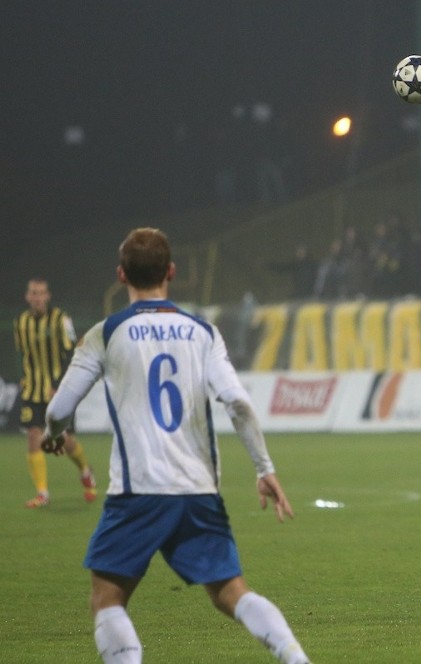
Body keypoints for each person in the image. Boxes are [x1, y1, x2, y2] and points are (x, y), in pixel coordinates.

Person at [40, 228, 310, 663]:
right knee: (230, 593)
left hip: (137, 492)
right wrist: (264, 469)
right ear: (172, 272)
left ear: (121, 274)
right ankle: (295, 656)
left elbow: (58, 410)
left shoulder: (105, 333)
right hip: (197, 491)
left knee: (107, 599)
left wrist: (54, 437)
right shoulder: (203, 333)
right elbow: (238, 403)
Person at [12, 277, 96, 508]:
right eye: (33, 293)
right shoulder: (21, 322)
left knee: (64, 439)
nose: (37, 297)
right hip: (32, 389)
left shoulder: (61, 320)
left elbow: (71, 353)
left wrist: (58, 383)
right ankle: (42, 493)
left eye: (40, 293)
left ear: (48, 296)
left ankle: (86, 471)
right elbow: (25, 355)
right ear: (28, 297)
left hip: (57, 390)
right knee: (33, 436)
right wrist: (25, 379)